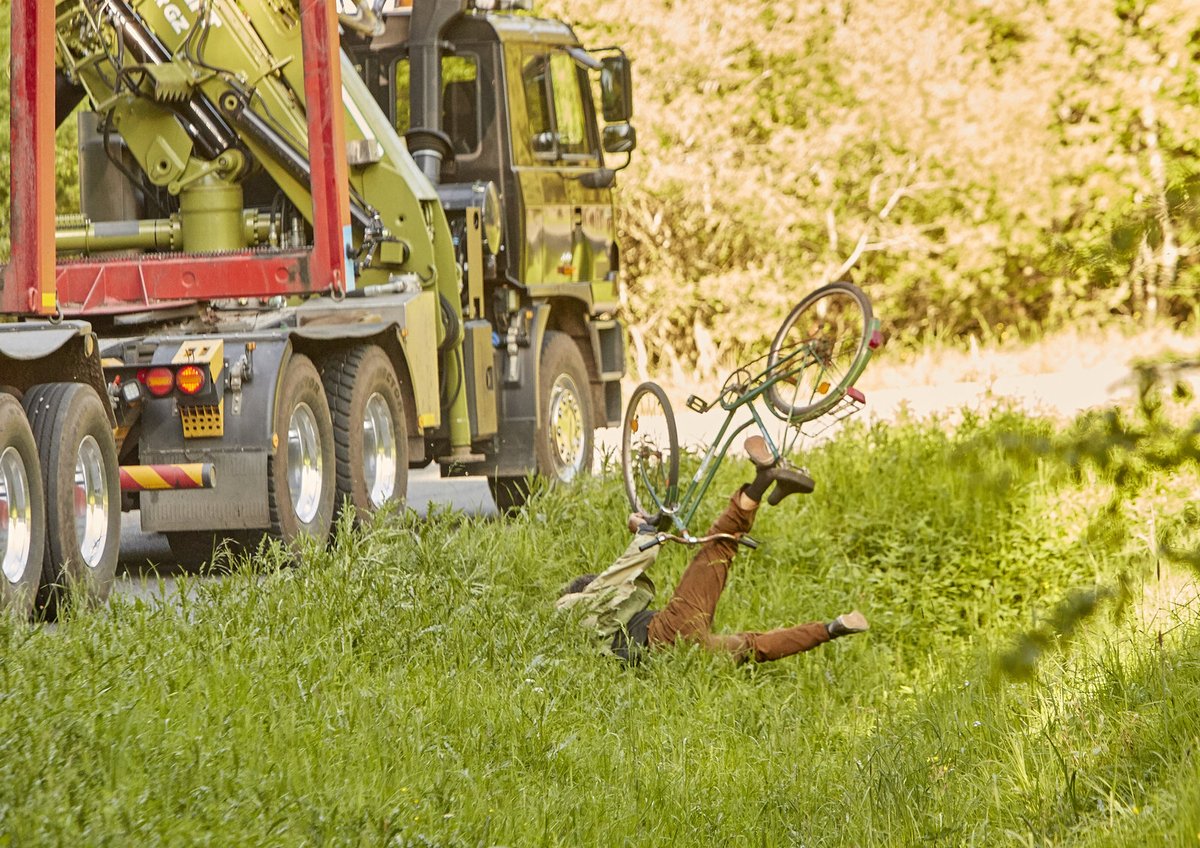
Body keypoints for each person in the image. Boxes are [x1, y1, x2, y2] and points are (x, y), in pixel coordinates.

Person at [557, 436, 869, 662]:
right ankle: (763, 480)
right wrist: (644, 533)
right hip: (668, 631)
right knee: (717, 548)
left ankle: (831, 628)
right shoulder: (578, 605)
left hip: (686, 650)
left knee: (752, 647)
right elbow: (618, 574)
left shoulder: (595, 637)